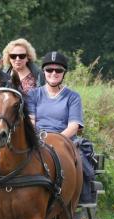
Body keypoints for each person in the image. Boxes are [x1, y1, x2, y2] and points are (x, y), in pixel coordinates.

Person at [26, 51, 96, 203]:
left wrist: (55, 140)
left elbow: (74, 126)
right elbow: (31, 121)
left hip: (64, 139)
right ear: (43, 72)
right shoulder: (33, 95)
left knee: (81, 161)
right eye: (49, 70)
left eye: (58, 70)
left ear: (64, 73)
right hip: (38, 139)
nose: (53, 73)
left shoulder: (73, 97)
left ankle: (81, 196)